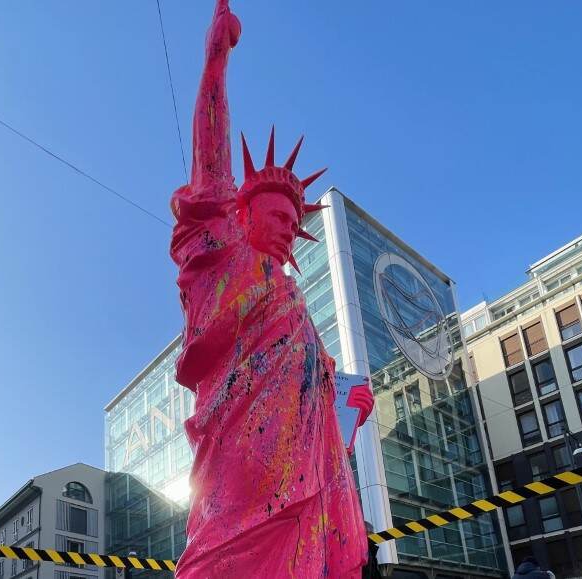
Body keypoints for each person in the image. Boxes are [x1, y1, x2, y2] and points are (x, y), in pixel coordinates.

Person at [169, 0, 372, 577]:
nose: (287, 226)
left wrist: (349, 407)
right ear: (243, 215)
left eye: (294, 218)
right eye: (276, 215)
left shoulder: (300, 311)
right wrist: (215, 66)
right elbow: (210, 159)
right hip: (237, 469)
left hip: (301, 482)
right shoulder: (225, 256)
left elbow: (323, 409)